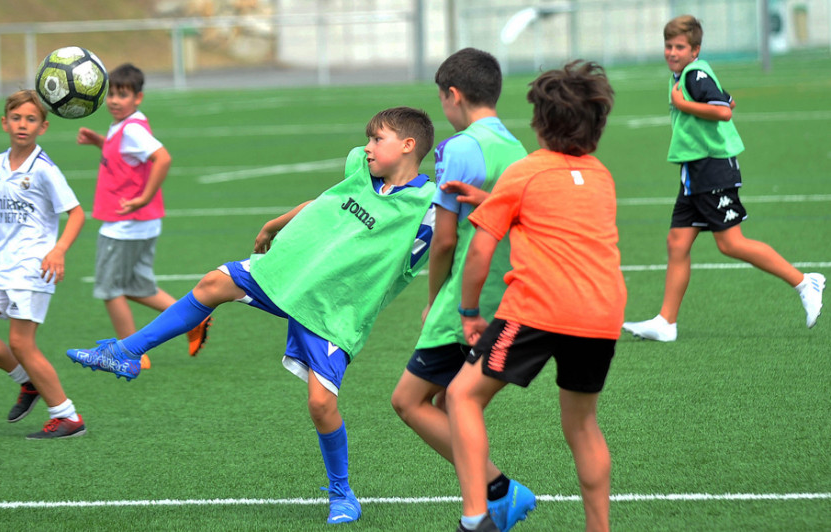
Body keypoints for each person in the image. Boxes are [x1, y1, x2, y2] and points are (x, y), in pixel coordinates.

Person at [66, 107, 436, 525]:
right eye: (367, 139)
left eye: (378, 139)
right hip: (289, 271)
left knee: (320, 404)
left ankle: (341, 492)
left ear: (408, 146)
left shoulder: (427, 206)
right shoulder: (359, 169)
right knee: (212, 284)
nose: (367, 147)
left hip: (333, 308)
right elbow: (322, 201)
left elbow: (448, 245)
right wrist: (273, 224)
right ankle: (126, 352)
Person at [445, 61, 625, 532]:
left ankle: (475, 516)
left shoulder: (525, 172)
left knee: (462, 395)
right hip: (602, 314)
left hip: (541, 308)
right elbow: (556, 212)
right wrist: (495, 198)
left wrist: (468, 313)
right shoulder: (603, 177)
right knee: (582, 425)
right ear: (598, 125)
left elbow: (481, 250)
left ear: (539, 121)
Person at [389, 48, 535, 532]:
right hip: (507, 292)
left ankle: (494, 494)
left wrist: (435, 298)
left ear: (453, 96)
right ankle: (492, 496)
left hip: (464, 300)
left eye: (441, 99)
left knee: (409, 401)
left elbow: (445, 238)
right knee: (454, 400)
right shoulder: (518, 151)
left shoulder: (458, 149)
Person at [622, 15, 825, 342]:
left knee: (731, 243)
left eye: (680, 47)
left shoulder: (695, 74)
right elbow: (726, 98)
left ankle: (805, 282)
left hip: (712, 168)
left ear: (695, 50)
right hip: (694, 171)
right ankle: (666, 322)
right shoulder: (689, 73)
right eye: (668, 45)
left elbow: (724, 111)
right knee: (677, 243)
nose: (672, 52)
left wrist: (683, 104)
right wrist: (701, 100)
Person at [0, 90, 87, 439]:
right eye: (16, 118)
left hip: (33, 267)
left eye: (30, 119)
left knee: (22, 343)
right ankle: (27, 382)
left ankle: (67, 417)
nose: (22, 125)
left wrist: (58, 251)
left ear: (43, 127)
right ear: (4, 122)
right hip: (1, 265)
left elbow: (76, 213)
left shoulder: (45, 170)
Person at [77, 63, 212, 367]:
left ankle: (130, 355)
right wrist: (100, 142)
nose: (113, 100)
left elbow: (162, 158)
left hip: (125, 226)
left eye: (122, 95)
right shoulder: (124, 125)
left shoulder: (133, 128)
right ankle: (193, 320)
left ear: (138, 98)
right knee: (137, 288)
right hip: (139, 224)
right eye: (110, 94)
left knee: (110, 290)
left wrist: (143, 198)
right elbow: (127, 157)